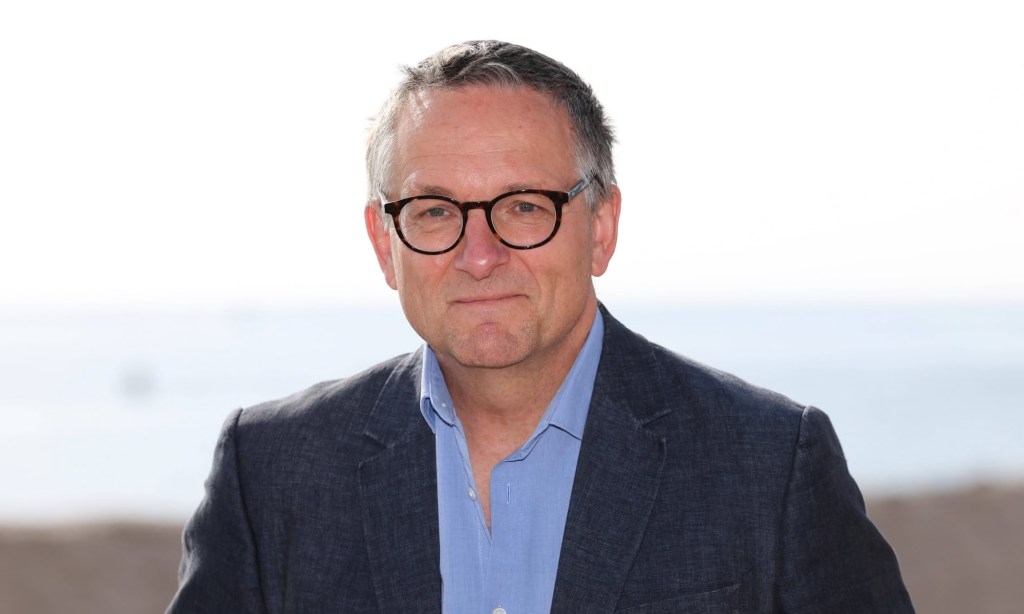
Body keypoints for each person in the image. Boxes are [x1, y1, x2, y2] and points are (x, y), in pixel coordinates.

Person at [168, 40, 914, 613]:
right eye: (435, 211)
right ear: (383, 241)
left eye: (525, 206)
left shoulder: (770, 466)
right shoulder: (270, 473)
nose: (479, 255)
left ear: (601, 228)